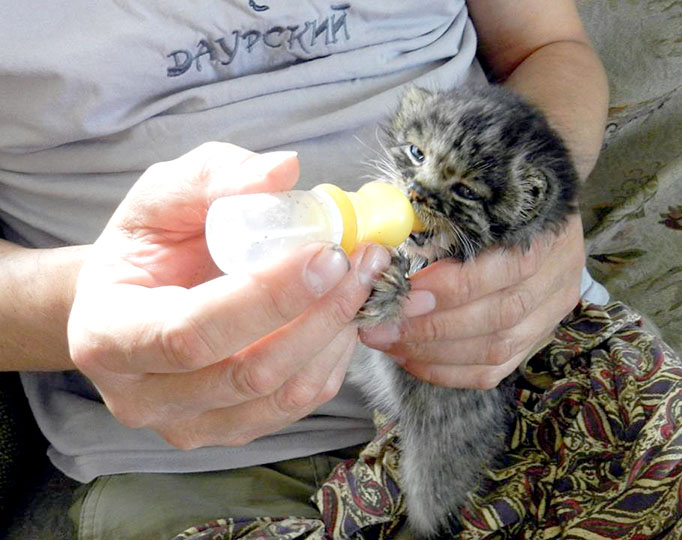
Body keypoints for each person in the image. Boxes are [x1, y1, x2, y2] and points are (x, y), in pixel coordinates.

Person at [0, 0, 609, 538]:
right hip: (209, 460)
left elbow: (549, 46)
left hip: (540, 372)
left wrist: (540, 206)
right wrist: (92, 306)